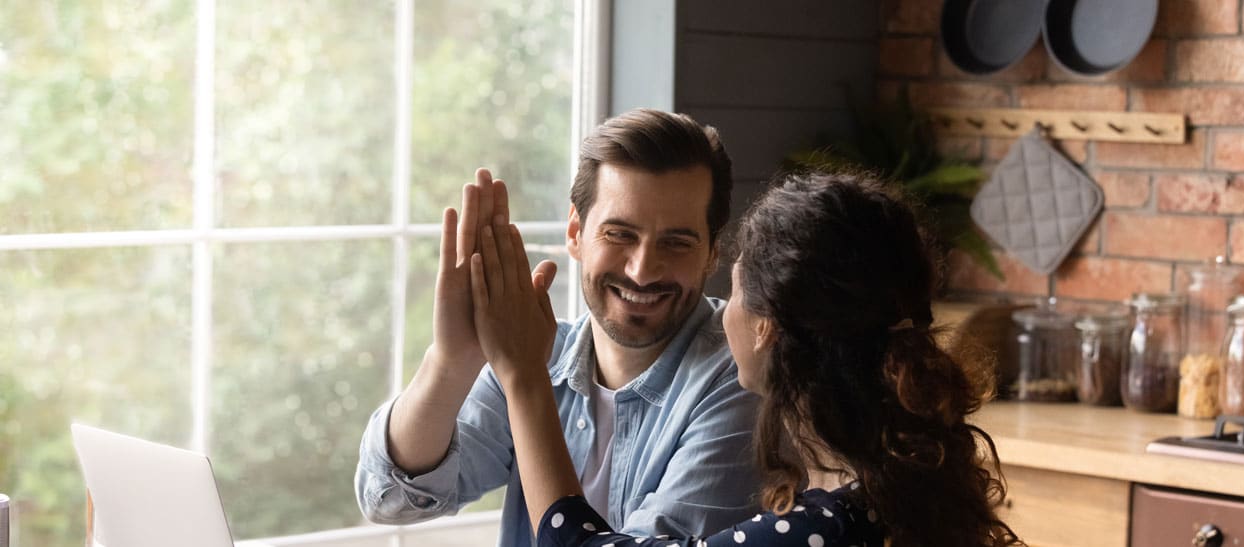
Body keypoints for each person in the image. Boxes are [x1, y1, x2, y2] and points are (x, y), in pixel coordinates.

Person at [470, 170, 1024, 546]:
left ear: (766, 328)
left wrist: (523, 376)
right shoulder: (890, 492)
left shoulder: (826, 527)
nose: (722, 311)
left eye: (733, 292)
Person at [356, 109, 761, 546]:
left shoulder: (743, 377)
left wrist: (523, 375)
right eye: (619, 234)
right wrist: (452, 362)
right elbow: (389, 498)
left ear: (712, 253)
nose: (643, 271)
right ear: (575, 232)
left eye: (676, 243)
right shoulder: (537, 353)